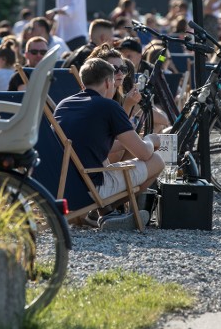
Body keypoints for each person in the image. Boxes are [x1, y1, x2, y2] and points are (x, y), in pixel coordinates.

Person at [53, 58, 164, 228]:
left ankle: (106, 213)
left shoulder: (64, 104)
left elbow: (87, 144)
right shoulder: (109, 106)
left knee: (112, 160)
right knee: (156, 160)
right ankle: (104, 212)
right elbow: (144, 153)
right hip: (91, 187)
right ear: (107, 82)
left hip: (60, 187)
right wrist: (150, 139)